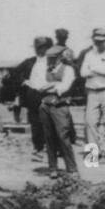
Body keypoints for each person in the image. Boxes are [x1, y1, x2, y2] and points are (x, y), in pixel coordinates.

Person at [79, 28, 105, 164]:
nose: (98, 44)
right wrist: (97, 69)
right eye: (96, 41)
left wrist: (93, 68)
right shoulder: (90, 54)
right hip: (92, 90)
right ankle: (92, 156)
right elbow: (83, 72)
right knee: (90, 122)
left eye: (101, 41)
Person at [39, 44, 79, 178]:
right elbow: (38, 86)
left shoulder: (68, 69)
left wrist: (50, 86)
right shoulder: (45, 70)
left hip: (60, 106)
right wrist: (52, 85)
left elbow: (63, 88)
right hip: (45, 105)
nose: (50, 61)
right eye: (49, 58)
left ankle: (72, 169)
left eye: (53, 58)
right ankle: (53, 168)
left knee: (63, 137)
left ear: (60, 58)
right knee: (49, 137)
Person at [19, 35, 54, 158]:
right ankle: (38, 147)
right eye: (37, 48)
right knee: (35, 123)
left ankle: (53, 149)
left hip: (49, 94)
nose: (39, 50)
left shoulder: (54, 61)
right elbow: (14, 74)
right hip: (33, 95)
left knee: (50, 122)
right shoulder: (30, 62)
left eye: (42, 47)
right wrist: (24, 81)